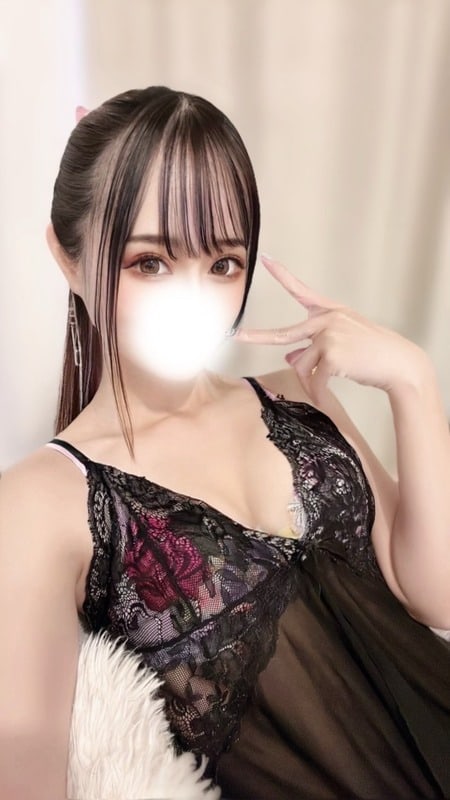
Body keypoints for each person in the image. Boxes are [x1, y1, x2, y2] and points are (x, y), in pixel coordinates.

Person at [0, 85, 449, 800]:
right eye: (150, 262)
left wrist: (413, 382)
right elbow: (26, 772)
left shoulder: (295, 395)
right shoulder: (39, 499)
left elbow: (437, 598)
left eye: (223, 264)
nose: (195, 299)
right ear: (69, 257)